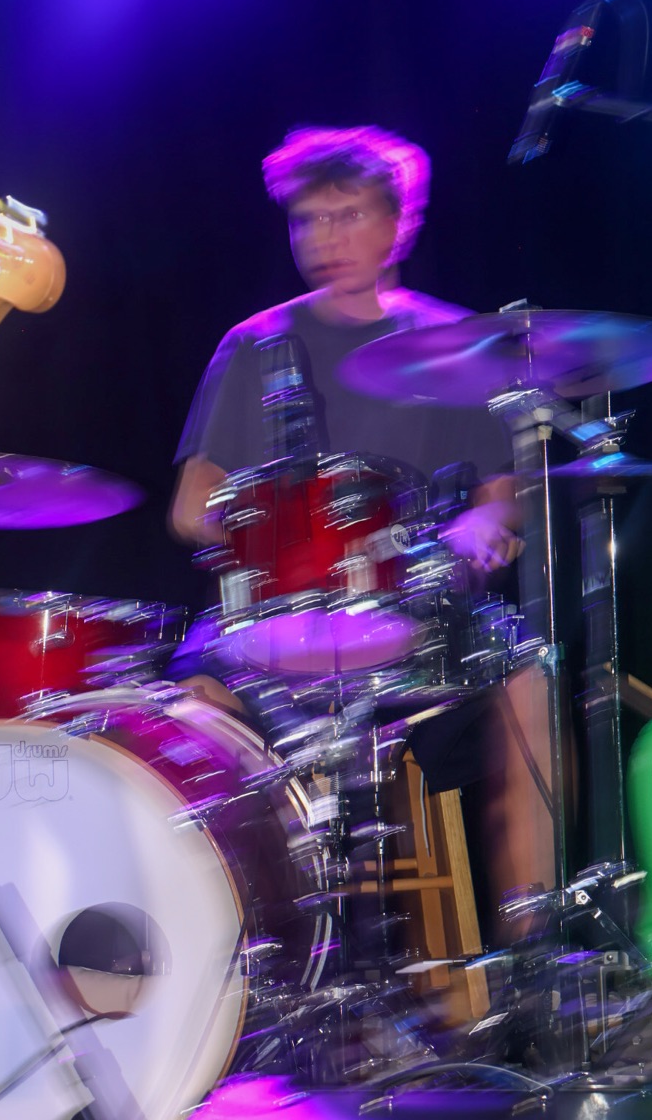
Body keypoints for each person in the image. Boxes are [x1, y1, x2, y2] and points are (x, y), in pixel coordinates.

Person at [169, 125, 547, 942]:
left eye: (347, 216)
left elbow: (501, 497)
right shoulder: (254, 344)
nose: (324, 238)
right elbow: (190, 508)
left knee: (530, 678)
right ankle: (243, 956)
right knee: (182, 714)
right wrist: (261, 520)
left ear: (400, 224)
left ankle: (534, 953)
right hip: (272, 618)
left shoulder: (455, 344)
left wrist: (485, 522)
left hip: (414, 611)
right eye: (308, 220)